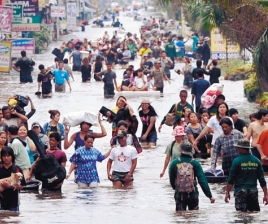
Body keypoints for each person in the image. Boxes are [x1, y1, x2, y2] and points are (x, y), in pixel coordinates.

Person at [169, 143, 215, 211]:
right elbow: (202, 181)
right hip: (193, 194)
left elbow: (171, 179)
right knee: (194, 216)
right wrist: (210, 196)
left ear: (181, 150)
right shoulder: (195, 163)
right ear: (191, 151)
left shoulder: (174, 163)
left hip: (179, 194)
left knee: (180, 216)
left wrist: (176, 188)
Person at [225, 139, 268, 212]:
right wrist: (266, 195)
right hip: (253, 191)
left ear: (242, 148)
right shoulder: (256, 161)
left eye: (238, 147)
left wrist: (227, 193)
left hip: (240, 192)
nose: (237, 149)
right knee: (254, 213)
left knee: (241, 215)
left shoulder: (236, 161)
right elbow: (262, 180)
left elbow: (231, 179)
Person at [0, 146, 25, 212]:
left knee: (13, 220)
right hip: (1, 201)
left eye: (8, 156)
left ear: (12, 157)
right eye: (4, 156)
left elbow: (22, 186)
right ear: (1, 157)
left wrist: (9, 186)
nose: (6, 158)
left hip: (13, 202)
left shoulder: (17, 169)